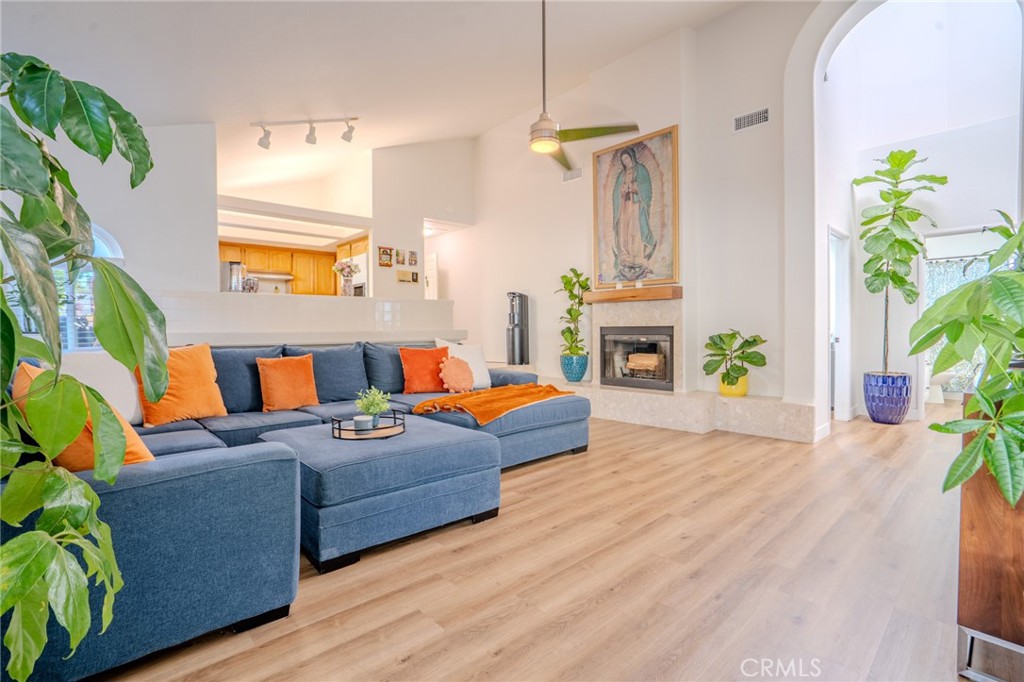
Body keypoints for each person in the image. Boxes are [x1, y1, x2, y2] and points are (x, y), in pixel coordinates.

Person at [612, 147, 656, 282]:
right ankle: (625, 256)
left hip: (636, 206)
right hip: (624, 207)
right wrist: (622, 190)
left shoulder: (641, 170)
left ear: (632, 157)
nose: (626, 162)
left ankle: (637, 256)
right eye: (623, 160)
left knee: (636, 230)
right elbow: (615, 195)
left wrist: (635, 187)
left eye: (627, 159)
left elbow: (647, 189)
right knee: (624, 230)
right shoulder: (621, 175)